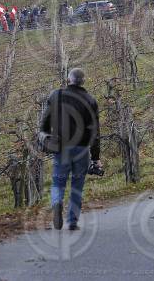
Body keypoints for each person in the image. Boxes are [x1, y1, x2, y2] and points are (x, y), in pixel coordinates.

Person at [40, 68, 101, 231]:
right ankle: (72, 221)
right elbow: (95, 132)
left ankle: (57, 203)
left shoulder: (56, 95)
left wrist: (45, 135)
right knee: (77, 184)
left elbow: (45, 120)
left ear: (69, 80)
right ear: (83, 81)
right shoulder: (91, 100)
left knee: (58, 181)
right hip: (82, 148)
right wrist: (96, 157)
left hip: (61, 147)